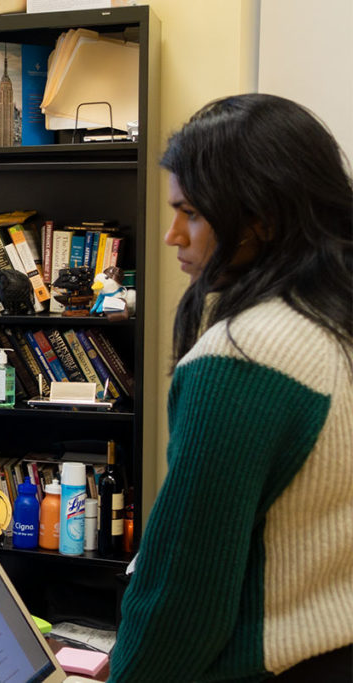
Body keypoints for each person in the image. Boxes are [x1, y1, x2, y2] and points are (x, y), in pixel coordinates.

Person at [109, 94, 353, 681]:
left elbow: (186, 590)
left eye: (191, 213)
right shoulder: (335, 325)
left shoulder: (243, 357)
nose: (172, 236)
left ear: (261, 218)